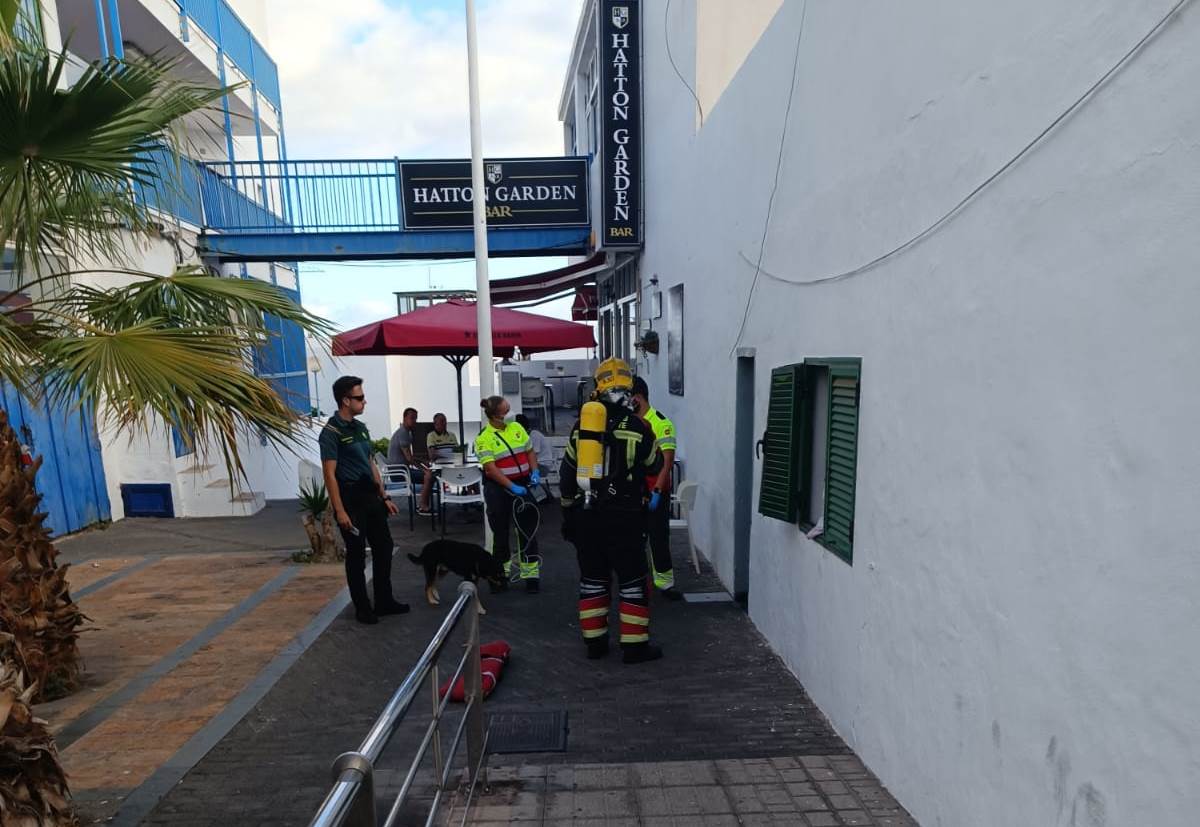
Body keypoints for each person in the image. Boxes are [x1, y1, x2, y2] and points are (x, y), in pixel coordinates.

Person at [559, 358, 664, 663]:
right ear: (629, 388)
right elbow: (655, 466)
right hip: (626, 517)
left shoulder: (582, 429)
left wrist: (568, 515)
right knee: (632, 581)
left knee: (593, 579)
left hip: (587, 516)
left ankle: (595, 644)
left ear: (598, 389)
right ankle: (634, 647)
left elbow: (567, 478)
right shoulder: (639, 427)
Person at [319, 376, 410, 625]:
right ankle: (362, 607)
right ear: (345, 400)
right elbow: (329, 474)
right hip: (350, 498)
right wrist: (340, 511)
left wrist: (384, 496)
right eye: (359, 398)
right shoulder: (331, 432)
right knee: (356, 555)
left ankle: (384, 600)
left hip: (371, 496)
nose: (364, 401)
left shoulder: (360, 428)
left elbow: (370, 463)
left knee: (384, 548)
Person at [474, 396, 542, 593]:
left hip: (522, 483)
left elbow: (529, 452)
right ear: (496, 416)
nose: (511, 413)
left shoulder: (517, 428)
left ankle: (531, 577)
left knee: (528, 531)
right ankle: (499, 577)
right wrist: (512, 487)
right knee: (501, 534)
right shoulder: (484, 438)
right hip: (498, 489)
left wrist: (534, 471)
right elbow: (491, 470)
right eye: (506, 410)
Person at [630, 376, 682, 600]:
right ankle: (638, 582)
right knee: (633, 539)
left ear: (637, 397)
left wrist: (657, 491)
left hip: (655, 491)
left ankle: (665, 585)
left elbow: (667, 463)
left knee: (658, 538)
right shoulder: (631, 423)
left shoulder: (661, 423)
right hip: (634, 491)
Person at [388, 407, 435, 515]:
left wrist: (423, 461)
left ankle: (424, 505)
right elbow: (409, 459)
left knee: (429, 474)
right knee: (429, 476)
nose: (414, 421)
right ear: (404, 418)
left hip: (402, 470)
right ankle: (423, 506)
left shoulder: (405, 432)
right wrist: (424, 469)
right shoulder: (403, 433)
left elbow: (410, 456)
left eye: (415, 418)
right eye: (412, 418)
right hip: (399, 472)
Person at [515, 413, 550, 501]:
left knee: (522, 472)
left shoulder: (534, 435)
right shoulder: (527, 436)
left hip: (543, 466)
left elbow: (533, 455)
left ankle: (539, 496)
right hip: (537, 465)